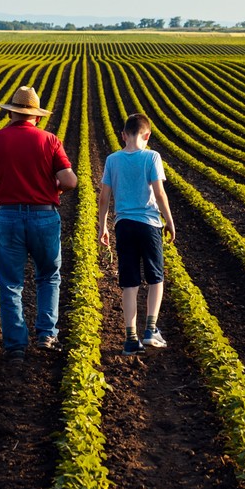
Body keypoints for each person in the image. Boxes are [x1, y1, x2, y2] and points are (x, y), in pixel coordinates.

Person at [0, 85, 78, 359]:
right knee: (48, 277)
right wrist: (54, 188)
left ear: (10, 114)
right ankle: (46, 335)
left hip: (8, 217)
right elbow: (69, 181)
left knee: (10, 283)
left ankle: (15, 346)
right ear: (37, 117)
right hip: (44, 216)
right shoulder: (50, 140)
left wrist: (1, 182)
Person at [98, 111, 176, 355]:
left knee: (129, 282)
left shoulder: (112, 160)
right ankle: (151, 330)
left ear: (123, 136)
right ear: (148, 135)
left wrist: (102, 226)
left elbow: (103, 197)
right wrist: (170, 221)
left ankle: (131, 339)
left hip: (124, 225)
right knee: (156, 278)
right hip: (149, 224)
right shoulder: (152, 157)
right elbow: (160, 193)